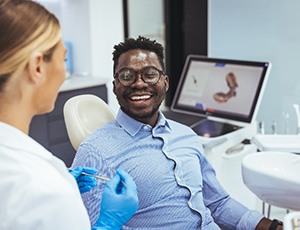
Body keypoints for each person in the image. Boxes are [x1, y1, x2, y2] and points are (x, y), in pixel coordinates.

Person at [72, 36, 283, 229]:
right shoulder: (95, 152)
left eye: (150, 74)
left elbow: (218, 203)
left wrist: (272, 226)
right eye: (127, 76)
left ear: (165, 82)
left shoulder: (186, 136)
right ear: (115, 85)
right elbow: (87, 224)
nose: (139, 83)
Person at [0, 1, 138, 229]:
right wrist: (108, 224)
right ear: (37, 67)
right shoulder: (44, 188)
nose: (64, 73)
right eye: (63, 60)